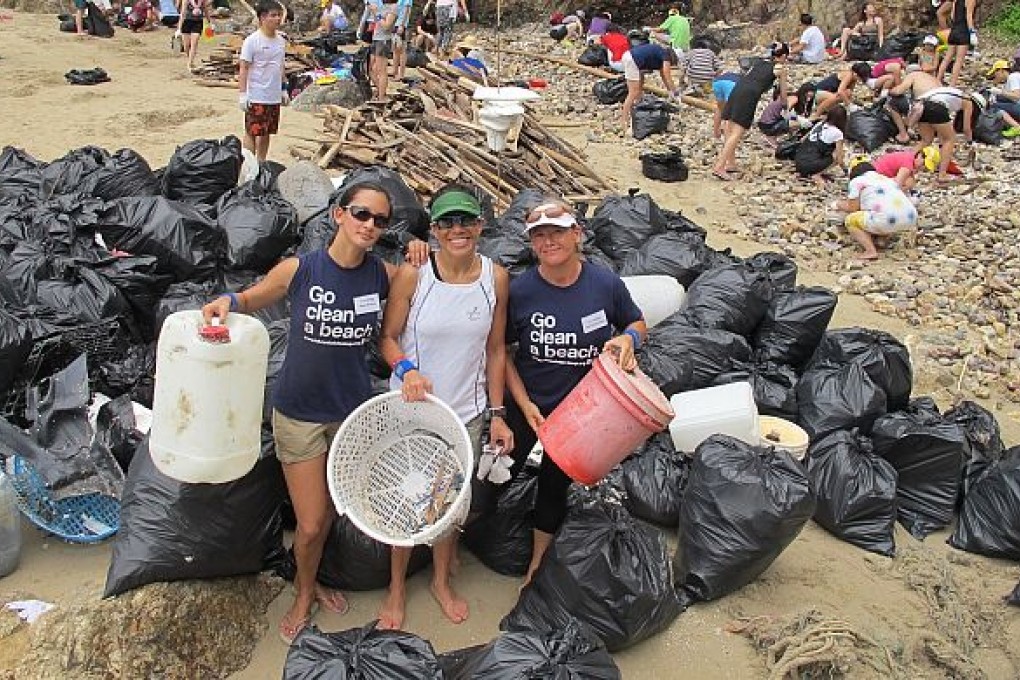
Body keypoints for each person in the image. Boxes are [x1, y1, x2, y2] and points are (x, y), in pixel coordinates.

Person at [199, 182, 427, 645]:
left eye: (381, 220)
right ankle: (305, 592)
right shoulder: (301, 269)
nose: (370, 225)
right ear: (339, 214)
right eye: (361, 214)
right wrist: (228, 303)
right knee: (310, 523)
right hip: (300, 413)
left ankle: (330, 579)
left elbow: (423, 287)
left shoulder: (382, 276)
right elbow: (253, 298)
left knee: (348, 512)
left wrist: (418, 249)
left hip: (351, 416)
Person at [379, 184, 512, 630]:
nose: (458, 230)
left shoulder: (496, 278)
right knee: (406, 497)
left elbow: (496, 350)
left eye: (466, 221)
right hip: (414, 408)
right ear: (434, 230)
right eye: (448, 222)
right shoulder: (414, 273)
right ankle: (396, 587)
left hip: (466, 414)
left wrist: (497, 414)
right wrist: (406, 371)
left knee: (449, 502)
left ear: (480, 225)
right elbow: (387, 338)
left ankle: (439, 581)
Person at [503, 200, 646, 585]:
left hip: (582, 413)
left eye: (557, 232)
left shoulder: (604, 284)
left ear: (577, 234)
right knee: (499, 475)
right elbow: (502, 352)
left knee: (553, 485)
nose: (549, 241)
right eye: (539, 236)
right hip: (530, 406)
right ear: (532, 244)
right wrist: (523, 404)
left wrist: (628, 339)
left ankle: (537, 564)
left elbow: (636, 322)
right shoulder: (520, 291)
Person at [712, 42, 789, 181]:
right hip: (749, 95)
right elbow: (783, 94)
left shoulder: (758, 62)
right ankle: (719, 166)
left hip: (737, 89)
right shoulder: (780, 68)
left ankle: (731, 163)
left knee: (729, 127)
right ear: (783, 56)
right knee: (737, 132)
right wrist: (785, 106)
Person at [890, 71, 975, 181]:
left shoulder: (951, 92)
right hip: (935, 106)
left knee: (926, 140)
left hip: (920, 106)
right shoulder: (968, 101)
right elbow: (966, 128)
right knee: (950, 139)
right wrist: (970, 142)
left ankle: (903, 162)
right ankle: (942, 174)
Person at [832, 160, 918, 260]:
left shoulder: (857, 181)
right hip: (911, 217)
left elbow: (853, 208)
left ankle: (870, 251)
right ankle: (881, 239)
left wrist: (837, 204)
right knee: (883, 211)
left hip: (887, 220)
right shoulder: (887, 179)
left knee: (851, 220)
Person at [239, 2, 287, 162]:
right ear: (262, 18)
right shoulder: (252, 41)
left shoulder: (281, 41)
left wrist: (283, 88)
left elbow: (280, 65)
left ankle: (261, 163)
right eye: (273, 15)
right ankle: (249, 164)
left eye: (279, 15)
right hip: (256, 94)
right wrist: (243, 94)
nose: (278, 19)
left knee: (266, 132)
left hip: (273, 95)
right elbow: (244, 67)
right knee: (252, 131)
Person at [620, 42, 680, 134]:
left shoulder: (660, 53)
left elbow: (663, 76)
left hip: (629, 56)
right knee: (633, 92)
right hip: (632, 60)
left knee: (640, 83)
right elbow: (667, 76)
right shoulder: (666, 56)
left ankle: (638, 107)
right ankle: (624, 120)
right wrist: (675, 93)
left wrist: (670, 91)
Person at [794, 104, 847, 183]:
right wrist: (846, 170)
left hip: (798, 162)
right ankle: (817, 174)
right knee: (837, 154)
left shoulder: (820, 124)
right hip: (809, 165)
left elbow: (802, 140)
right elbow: (839, 159)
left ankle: (808, 171)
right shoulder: (838, 133)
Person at [757, 81, 815, 145]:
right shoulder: (794, 98)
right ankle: (771, 136)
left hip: (765, 123)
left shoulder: (792, 97)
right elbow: (784, 113)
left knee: (796, 120)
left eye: (810, 97)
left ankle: (775, 136)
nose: (808, 100)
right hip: (767, 126)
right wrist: (799, 119)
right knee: (798, 123)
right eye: (807, 96)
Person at [937, 0, 977, 87]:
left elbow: (952, 16)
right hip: (963, 31)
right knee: (959, 60)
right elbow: (969, 15)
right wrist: (972, 31)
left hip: (954, 30)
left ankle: (938, 79)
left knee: (947, 58)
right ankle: (952, 84)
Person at [871, 146, 940, 190]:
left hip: (874, 171)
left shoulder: (909, 156)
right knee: (909, 182)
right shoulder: (907, 166)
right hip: (874, 176)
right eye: (923, 164)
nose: (922, 168)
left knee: (910, 181)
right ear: (920, 155)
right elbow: (897, 185)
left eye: (926, 169)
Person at [369, 2, 398, 102]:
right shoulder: (383, 6)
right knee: (369, 68)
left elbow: (386, 26)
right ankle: (380, 90)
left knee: (381, 71)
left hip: (384, 40)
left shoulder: (393, 7)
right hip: (376, 39)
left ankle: (381, 97)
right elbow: (377, 21)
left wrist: (376, 13)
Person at [987, 59, 1020, 132]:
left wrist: (1000, 92)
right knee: (998, 100)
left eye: (995, 73)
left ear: (1001, 70)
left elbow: (1017, 96)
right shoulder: (1009, 80)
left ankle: (1017, 127)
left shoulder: (1013, 77)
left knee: (993, 106)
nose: (995, 76)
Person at [177, 0, 209, 72]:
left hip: (198, 22)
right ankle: (191, 60)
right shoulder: (186, 1)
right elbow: (183, 13)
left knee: (194, 44)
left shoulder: (203, 1)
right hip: (186, 22)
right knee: (186, 46)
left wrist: (210, 22)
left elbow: (206, 10)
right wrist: (179, 28)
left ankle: (189, 64)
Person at [711, 72, 741, 139]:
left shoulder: (734, 75)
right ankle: (727, 139)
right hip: (731, 85)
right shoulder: (744, 81)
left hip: (717, 82)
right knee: (730, 114)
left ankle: (716, 133)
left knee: (720, 109)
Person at [390, 0, 412, 80]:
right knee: (395, 49)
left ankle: (401, 74)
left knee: (402, 50)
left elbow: (407, 10)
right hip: (395, 24)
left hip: (401, 25)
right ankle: (394, 71)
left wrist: (402, 25)